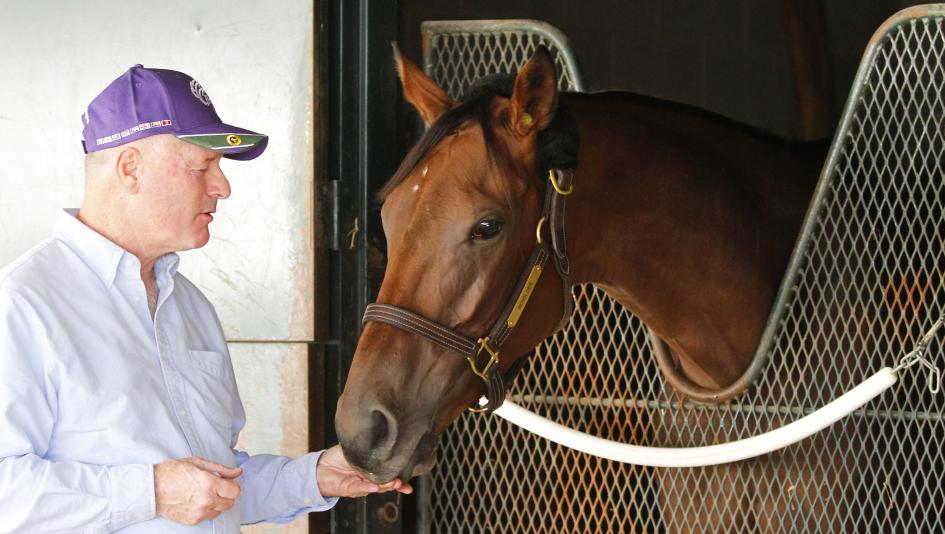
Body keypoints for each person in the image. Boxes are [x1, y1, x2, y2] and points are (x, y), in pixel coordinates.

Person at [0, 65, 411, 532]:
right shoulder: (21, 305)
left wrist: (314, 477)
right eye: (202, 167)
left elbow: (211, 488)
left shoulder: (189, 306)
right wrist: (151, 491)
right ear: (129, 169)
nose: (224, 187)